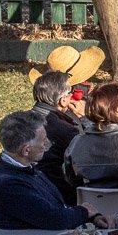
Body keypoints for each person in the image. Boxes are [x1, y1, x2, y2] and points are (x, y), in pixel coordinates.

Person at [0, 110, 108, 231]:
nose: (47, 144)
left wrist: (91, 217)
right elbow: (55, 219)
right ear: (26, 151)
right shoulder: (8, 185)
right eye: (43, 140)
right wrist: (85, 212)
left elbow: (57, 208)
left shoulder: (25, 167)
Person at [29, 69, 88, 203]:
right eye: (70, 93)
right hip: (58, 194)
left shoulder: (19, 120)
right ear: (63, 100)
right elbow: (87, 155)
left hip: (27, 187)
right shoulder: (65, 129)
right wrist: (85, 118)